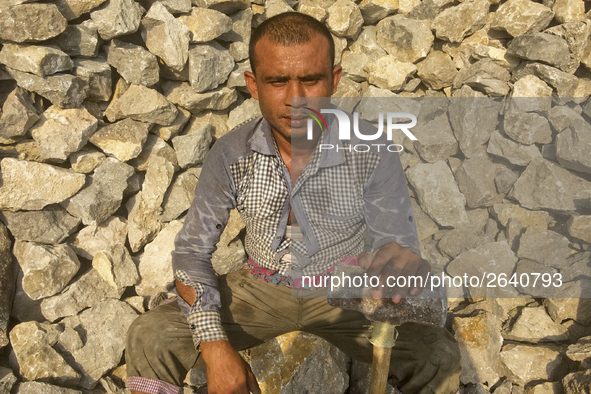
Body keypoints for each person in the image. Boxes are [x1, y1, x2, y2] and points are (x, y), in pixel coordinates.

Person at [126, 12, 461, 394]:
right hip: (261, 288)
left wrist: (396, 268)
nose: (296, 99)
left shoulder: (371, 150)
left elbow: (396, 243)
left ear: (334, 80)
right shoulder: (231, 155)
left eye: (311, 80)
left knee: (436, 354)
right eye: (278, 81)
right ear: (254, 85)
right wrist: (215, 346)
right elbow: (192, 252)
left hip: (346, 290)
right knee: (151, 336)